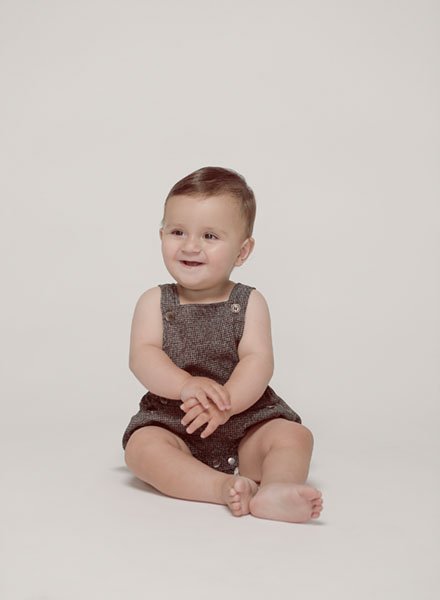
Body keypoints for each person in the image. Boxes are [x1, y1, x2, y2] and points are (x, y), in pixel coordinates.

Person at [122, 166, 323, 523]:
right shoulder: (154, 302)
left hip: (245, 418)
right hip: (175, 420)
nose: (190, 246)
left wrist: (227, 402)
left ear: (242, 251)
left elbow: (257, 361)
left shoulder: (249, 302)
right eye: (178, 232)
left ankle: (276, 489)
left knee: (294, 436)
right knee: (142, 449)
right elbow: (143, 356)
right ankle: (221, 487)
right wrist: (185, 385)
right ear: (161, 235)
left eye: (210, 236)